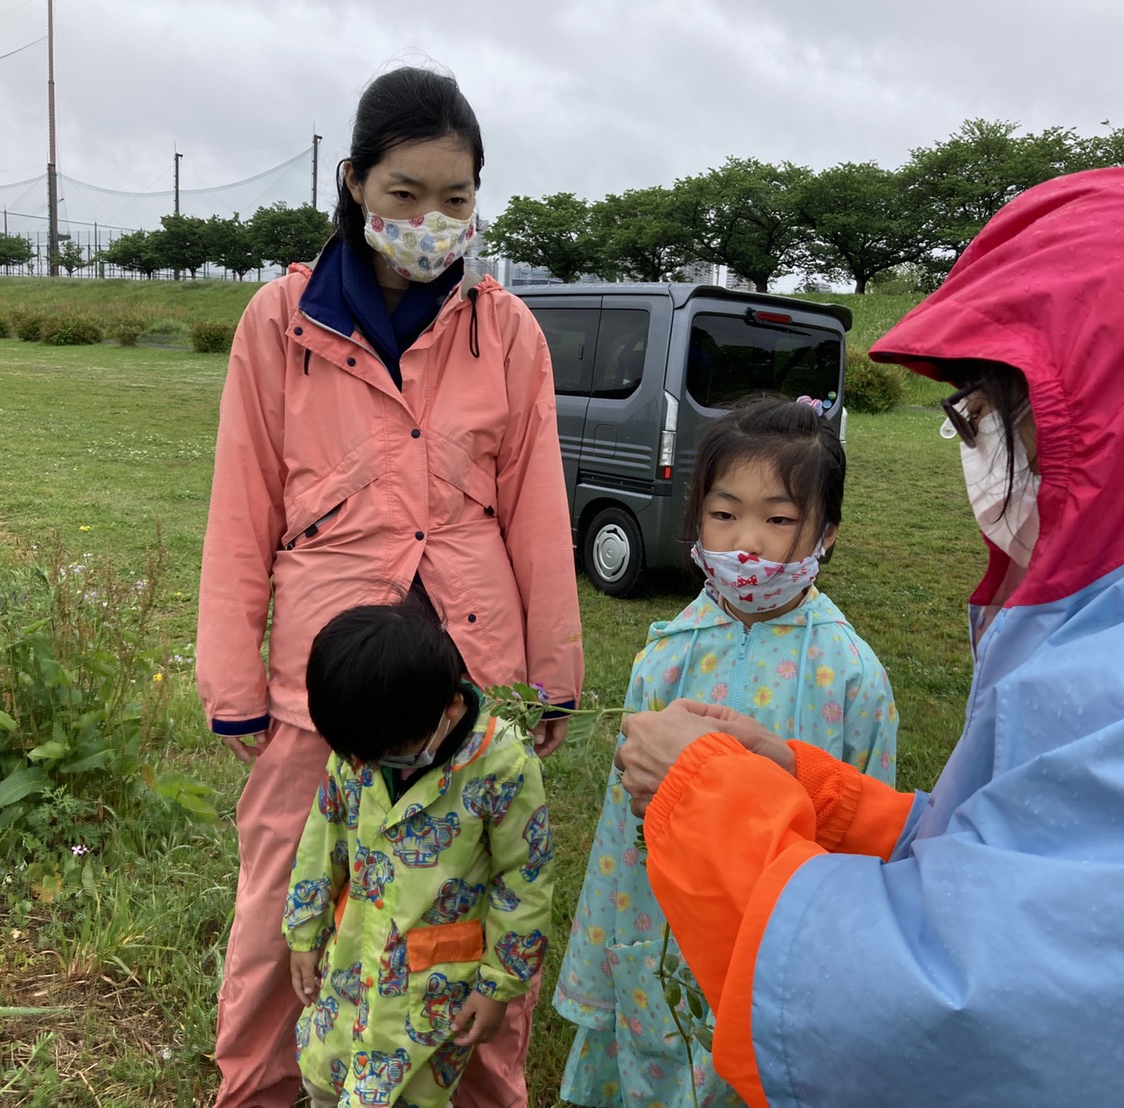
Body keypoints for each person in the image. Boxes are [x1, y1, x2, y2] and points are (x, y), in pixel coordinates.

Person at [613, 167, 1124, 1107]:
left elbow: (956, 1026)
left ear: (1102, 406)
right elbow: (1045, 867)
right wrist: (835, 805)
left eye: (980, 412)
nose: (975, 444)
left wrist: (705, 795)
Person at [195, 66, 583, 1108]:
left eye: (455, 197)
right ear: (355, 180)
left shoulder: (506, 332)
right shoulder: (280, 324)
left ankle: (477, 1092)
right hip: (325, 679)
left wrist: (550, 673)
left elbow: (538, 512)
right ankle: (260, 1090)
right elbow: (241, 513)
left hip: (468, 664)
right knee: (287, 897)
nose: (429, 218)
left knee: (473, 907)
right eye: (404, 192)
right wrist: (232, 682)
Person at [554, 396, 898, 1106]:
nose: (748, 542)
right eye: (724, 513)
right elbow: (621, 835)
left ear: (825, 533)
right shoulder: (665, 657)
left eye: (778, 518)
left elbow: (869, 855)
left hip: (778, 947)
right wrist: (594, 964)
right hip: (658, 931)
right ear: (695, 517)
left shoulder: (852, 676)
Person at [283, 599, 553, 1108]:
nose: (366, 764)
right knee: (325, 1078)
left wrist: (500, 985)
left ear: (450, 706)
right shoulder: (363, 743)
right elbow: (325, 835)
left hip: (433, 985)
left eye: (389, 754)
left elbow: (525, 877)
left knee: (413, 1096)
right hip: (351, 964)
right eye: (355, 755)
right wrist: (305, 929)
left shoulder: (503, 764)